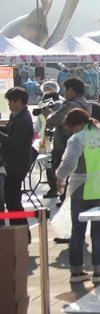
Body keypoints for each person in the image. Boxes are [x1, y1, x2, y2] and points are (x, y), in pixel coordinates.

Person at [55, 108, 100, 284]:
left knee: (77, 232)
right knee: (99, 232)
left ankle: (76, 272)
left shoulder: (78, 138)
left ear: (76, 125)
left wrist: (60, 178)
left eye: (71, 128)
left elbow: (69, 162)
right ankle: (99, 271)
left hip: (81, 189)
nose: (71, 132)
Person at [44, 77, 92, 199]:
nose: (64, 93)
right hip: (83, 144)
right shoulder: (86, 103)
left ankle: (67, 199)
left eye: (65, 89)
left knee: (68, 176)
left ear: (71, 90)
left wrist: (47, 114)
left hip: (67, 145)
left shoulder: (71, 106)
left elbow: (52, 122)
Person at [0, 87, 35, 226]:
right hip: (12, 163)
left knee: (13, 199)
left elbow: (15, 142)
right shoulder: (16, 115)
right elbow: (9, 132)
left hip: (17, 164)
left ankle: (22, 231)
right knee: (11, 199)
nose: (9, 104)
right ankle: (18, 231)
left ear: (19, 101)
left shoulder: (24, 119)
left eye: (10, 101)